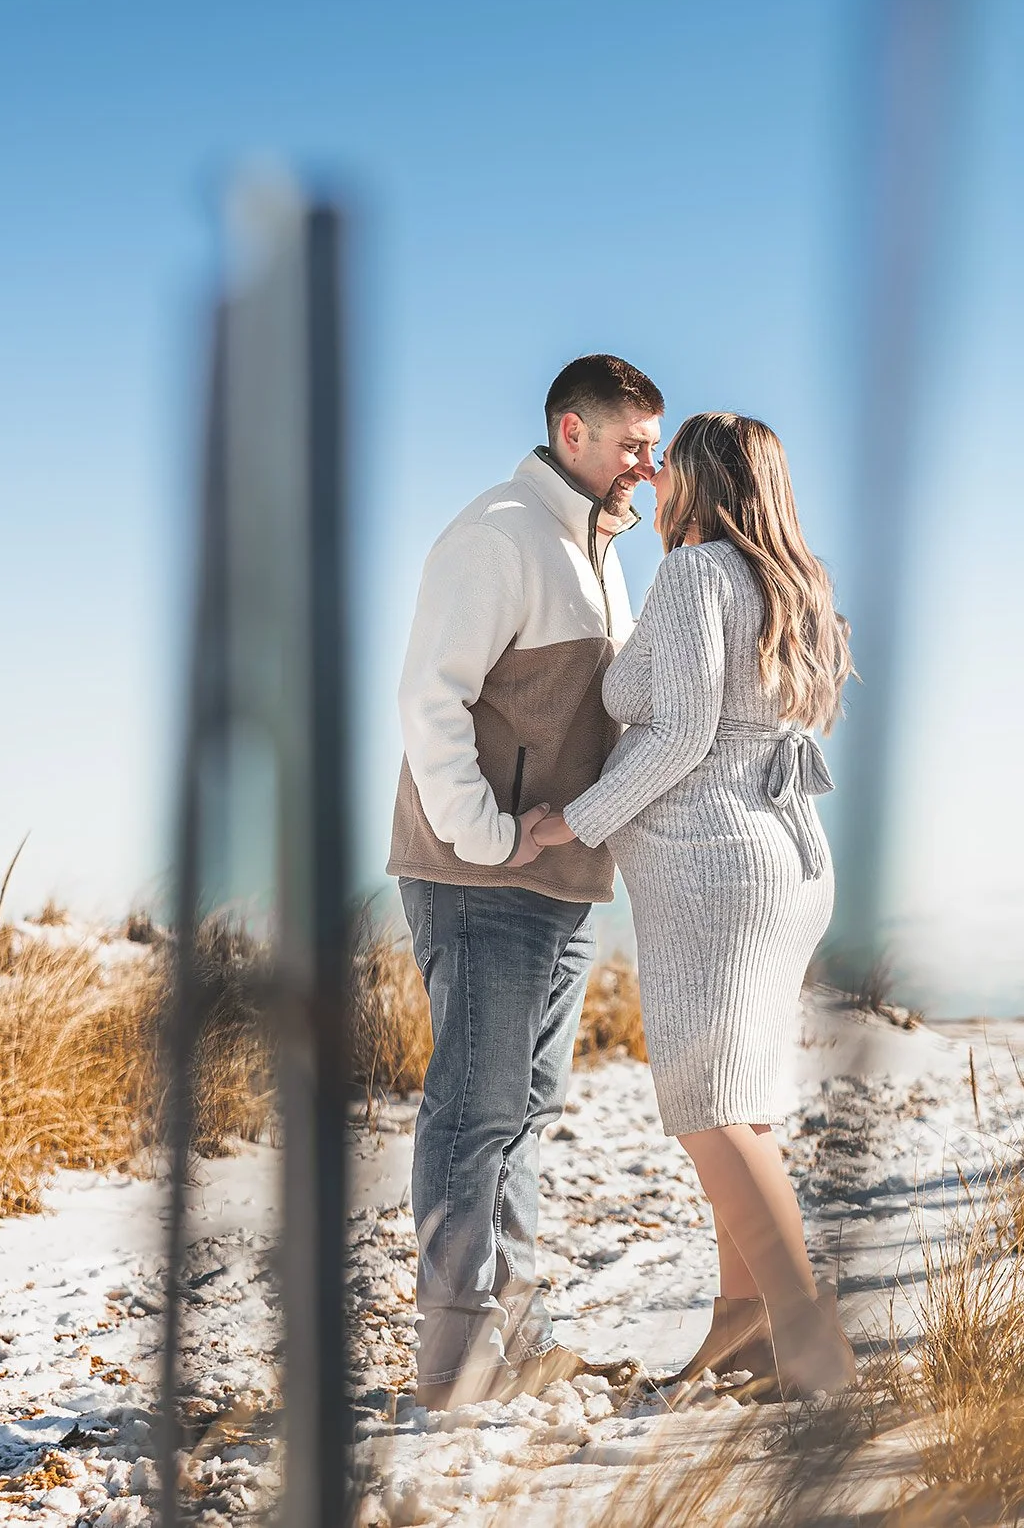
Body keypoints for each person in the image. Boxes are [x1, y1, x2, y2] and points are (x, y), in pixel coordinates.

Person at [514, 410, 859, 1398]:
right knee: (736, 1100)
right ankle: (744, 1329)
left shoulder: (698, 573)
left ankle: (810, 1338)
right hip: (786, 857)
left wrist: (568, 821)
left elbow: (677, 737)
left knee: (710, 1110)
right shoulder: (799, 583)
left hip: (715, 868)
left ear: (705, 479)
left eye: (669, 463)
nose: (653, 475)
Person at [386, 353, 663, 1409]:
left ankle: (515, 1327)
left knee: (528, 1108)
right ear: (572, 429)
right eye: (633, 441)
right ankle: (454, 1361)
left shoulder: (598, 543)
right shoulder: (499, 533)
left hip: (563, 876)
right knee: (474, 1108)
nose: (649, 461)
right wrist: (487, 837)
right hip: (483, 873)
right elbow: (430, 700)